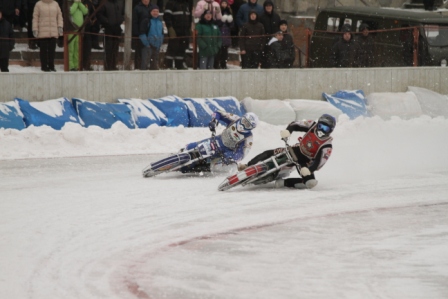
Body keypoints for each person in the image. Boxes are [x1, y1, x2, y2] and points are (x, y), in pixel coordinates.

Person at [239, 114, 336, 190]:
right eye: (320, 126)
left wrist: (310, 170)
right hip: (297, 149)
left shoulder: (327, 145)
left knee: (310, 183)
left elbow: (319, 163)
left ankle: (284, 183)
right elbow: (295, 124)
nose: (321, 130)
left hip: (305, 161)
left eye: (325, 128)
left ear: (330, 130)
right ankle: (248, 165)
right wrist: (288, 131)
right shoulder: (312, 125)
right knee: (272, 152)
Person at [180, 110, 258, 173]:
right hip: (218, 140)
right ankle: (182, 151)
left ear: (251, 128)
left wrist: (232, 158)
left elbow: (242, 154)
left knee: (229, 167)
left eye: (247, 125)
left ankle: (206, 167)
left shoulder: (248, 138)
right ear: (242, 118)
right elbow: (218, 113)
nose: (243, 125)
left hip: (227, 152)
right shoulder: (235, 118)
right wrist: (214, 121)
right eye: (244, 121)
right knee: (194, 146)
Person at [32, 0, 63, 72]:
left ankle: (51, 65)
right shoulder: (38, 4)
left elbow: (59, 16)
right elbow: (35, 18)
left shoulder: (55, 4)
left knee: (52, 50)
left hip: (53, 31)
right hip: (43, 32)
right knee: (43, 51)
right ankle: (44, 66)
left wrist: (60, 26)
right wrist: (35, 29)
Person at [163, 0, 191, 70]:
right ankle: (168, 65)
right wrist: (170, 28)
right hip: (175, 31)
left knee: (181, 49)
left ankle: (179, 65)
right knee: (172, 48)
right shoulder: (171, 3)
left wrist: (189, 28)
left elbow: (189, 18)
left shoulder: (186, 4)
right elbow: (167, 16)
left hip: (184, 31)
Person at [98, 0, 124, 71]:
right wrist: (107, 21)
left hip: (117, 28)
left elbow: (122, 13)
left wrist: (121, 19)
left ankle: (114, 65)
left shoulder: (120, 2)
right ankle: (108, 66)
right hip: (108, 28)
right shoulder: (104, 2)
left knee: (115, 48)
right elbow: (99, 15)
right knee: (108, 48)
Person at [139, 4, 164, 70]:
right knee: (145, 64)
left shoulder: (160, 21)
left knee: (154, 64)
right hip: (148, 45)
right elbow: (142, 33)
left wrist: (161, 41)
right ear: (150, 12)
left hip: (157, 46)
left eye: (157, 11)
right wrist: (147, 43)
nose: (155, 13)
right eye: (154, 11)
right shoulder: (146, 21)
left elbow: (162, 32)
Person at [258, 0, 280, 68]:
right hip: (265, 40)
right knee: (265, 58)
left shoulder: (276, 16)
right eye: (267, 6)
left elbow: (279, 27)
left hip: (275, 40)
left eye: (270, 6)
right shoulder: (261, 17)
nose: (268, 7)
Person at [69, 0, 88, 71]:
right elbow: (70, 11)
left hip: (79, 30)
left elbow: (85, 11)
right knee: (71, 49)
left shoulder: (80, 4)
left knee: (77, 49)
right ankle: (71, 66)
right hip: (71, 30)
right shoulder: (69, 3)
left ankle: (76, 65)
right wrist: (76, 3)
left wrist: (79, 3)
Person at [214, 0, 233, 69]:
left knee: (225, 51)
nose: (224, 5)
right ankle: (216, 64)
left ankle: (223, 64)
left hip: (226, 34)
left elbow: (232, 26)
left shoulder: (229, 12)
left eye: (225, 3)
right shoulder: (218, 12)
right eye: (223, 3)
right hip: (219, 33)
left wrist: (230, 22)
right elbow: (215, 23)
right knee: (218, 51)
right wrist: (221, 21)